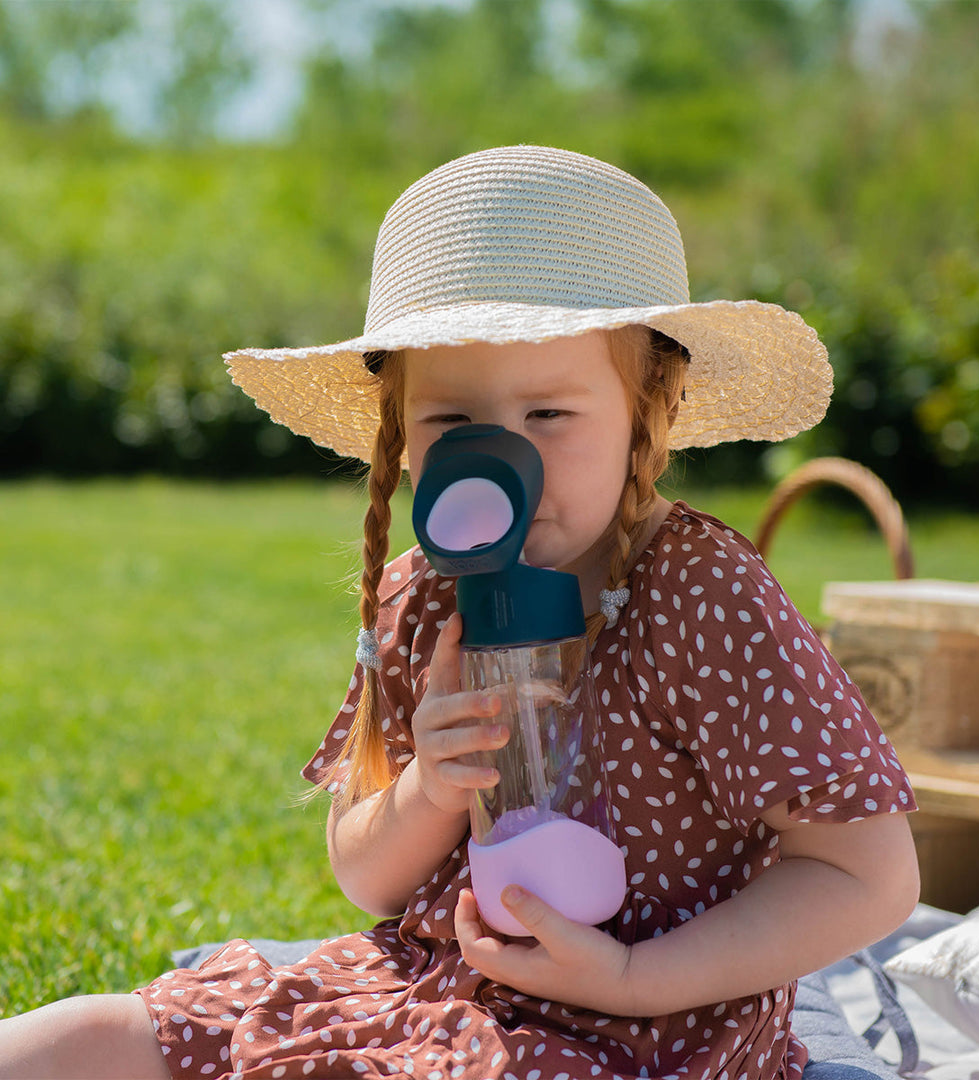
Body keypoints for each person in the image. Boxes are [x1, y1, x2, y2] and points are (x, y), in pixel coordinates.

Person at [0, 145, 920, 1080]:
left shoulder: (701, 596)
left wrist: (636, 976)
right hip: (430, 988)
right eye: (450, 424)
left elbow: (868, 876)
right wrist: (430, 789)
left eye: (548, 417)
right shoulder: (424, 594)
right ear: (401, 437)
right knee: (81, 1039)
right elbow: (366, 877)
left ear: (650, 409)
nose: (495, 461)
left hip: (645, 1031)